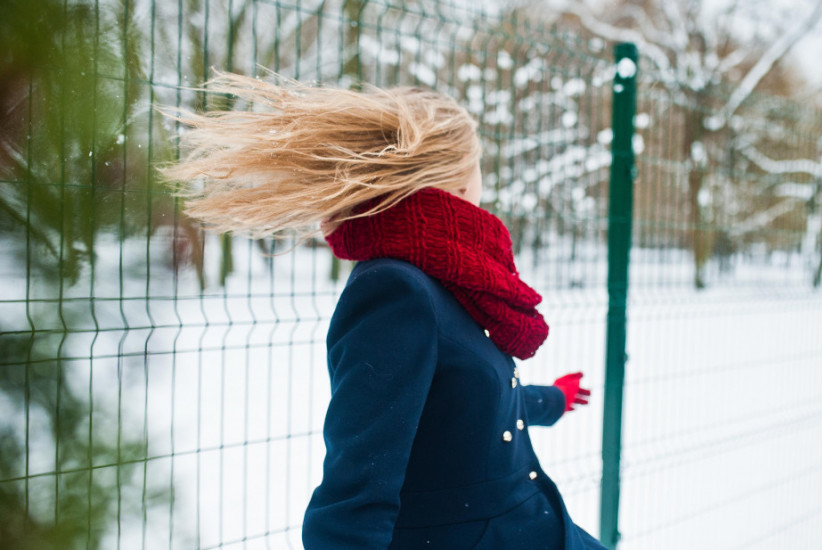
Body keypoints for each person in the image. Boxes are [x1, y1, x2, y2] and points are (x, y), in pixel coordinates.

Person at [160, 71, 604, 550]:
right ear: (455, 178)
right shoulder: (395, 290)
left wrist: (552, 400)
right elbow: (354, 495)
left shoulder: (452, 276)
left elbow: (459, 403)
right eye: (478, 165)